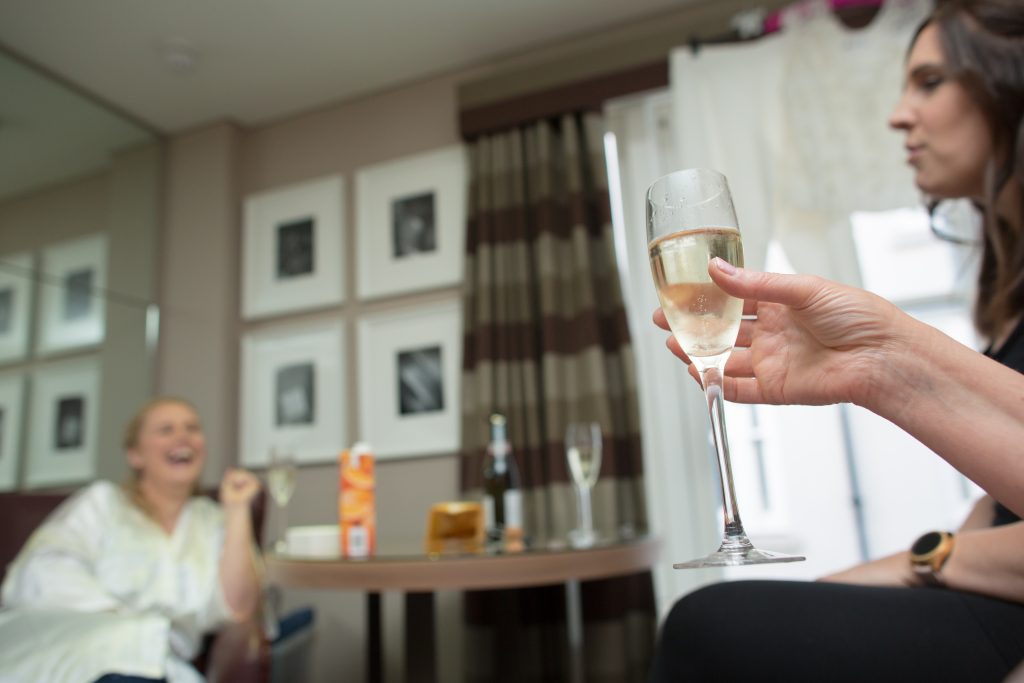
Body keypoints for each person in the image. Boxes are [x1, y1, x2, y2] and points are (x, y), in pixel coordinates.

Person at [648, 0, 1024, 680]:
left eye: (931, 81)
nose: (898, 114)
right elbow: (997, 509)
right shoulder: (1009, 283)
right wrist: (843, 584)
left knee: (708, 626)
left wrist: (930, 560)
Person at [0, 397, 263, 683]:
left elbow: (238, 609)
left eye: (192, 428)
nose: (183, 436)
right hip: (84, 654)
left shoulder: (213, 520)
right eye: (166, 429)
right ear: (135, 454)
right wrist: (129, 625)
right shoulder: (102, 503)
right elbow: (41, 572)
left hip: (161, 668)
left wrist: (237, 510)